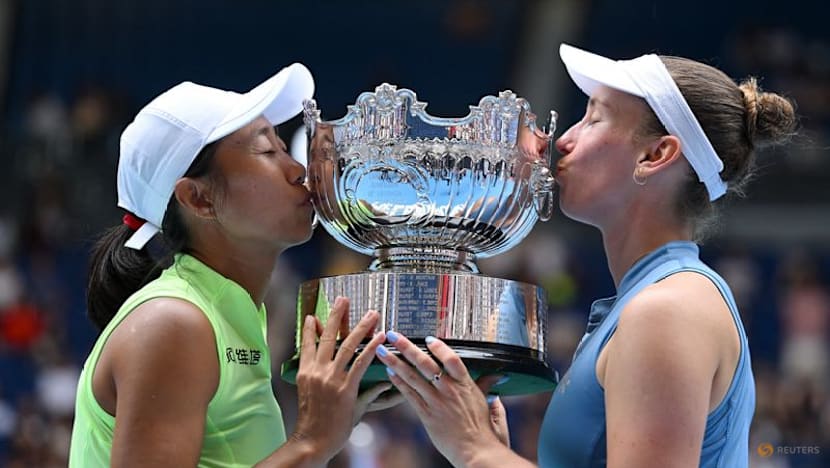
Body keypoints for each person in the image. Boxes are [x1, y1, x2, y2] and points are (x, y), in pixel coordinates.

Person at [373, 43, 797, 467]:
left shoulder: (668, 310)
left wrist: (475, 449)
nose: (565, 139)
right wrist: (495, 455)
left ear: (655, 155)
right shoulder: (655, 300)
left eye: (594, 117)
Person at [69, 63, 398, 467]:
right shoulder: (174, 322)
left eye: (282, 148)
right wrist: (311, 442)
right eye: (266, 151)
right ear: (198, 199)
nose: (298, 171)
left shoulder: (228, 315)